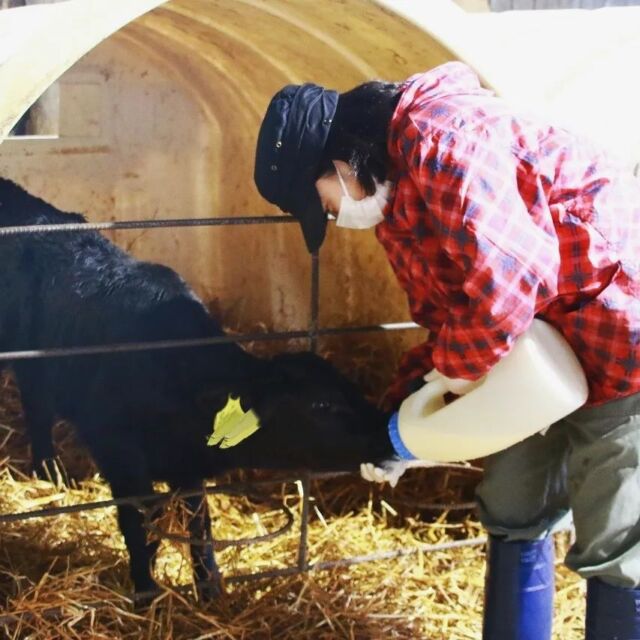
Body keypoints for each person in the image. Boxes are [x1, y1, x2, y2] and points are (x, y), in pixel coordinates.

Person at [253, 60, 640, 640]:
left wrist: (436, 407)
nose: (334, 218)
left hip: (619, 329)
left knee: (614, 532)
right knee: (513, 507)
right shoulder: (393, 198)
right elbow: (446, 316)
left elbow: (507, 285)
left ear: (338, 165)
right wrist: (402, 408)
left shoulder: (445, 140)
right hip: (535, 347)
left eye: (325, 206)